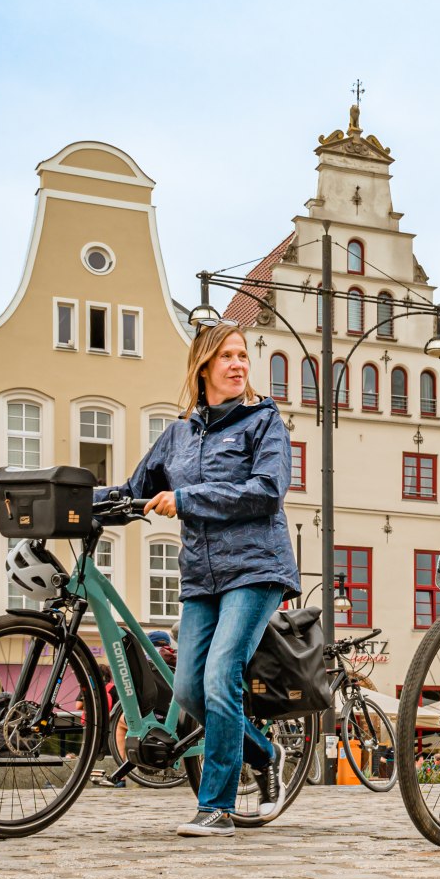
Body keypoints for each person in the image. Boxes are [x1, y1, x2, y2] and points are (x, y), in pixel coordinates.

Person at [101, 320, 299, 838]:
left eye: (242, 356)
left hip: (257, 568)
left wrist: (187, 500)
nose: (238, 364)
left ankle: (217, 806)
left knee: (220, 675)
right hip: (202, 578)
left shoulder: (263, 423)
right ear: (203, 367)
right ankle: (263, 751)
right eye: (227, 356)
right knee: (188, 689)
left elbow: (265, 490)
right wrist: (73, 500)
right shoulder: (177, 436)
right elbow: (131, 491)